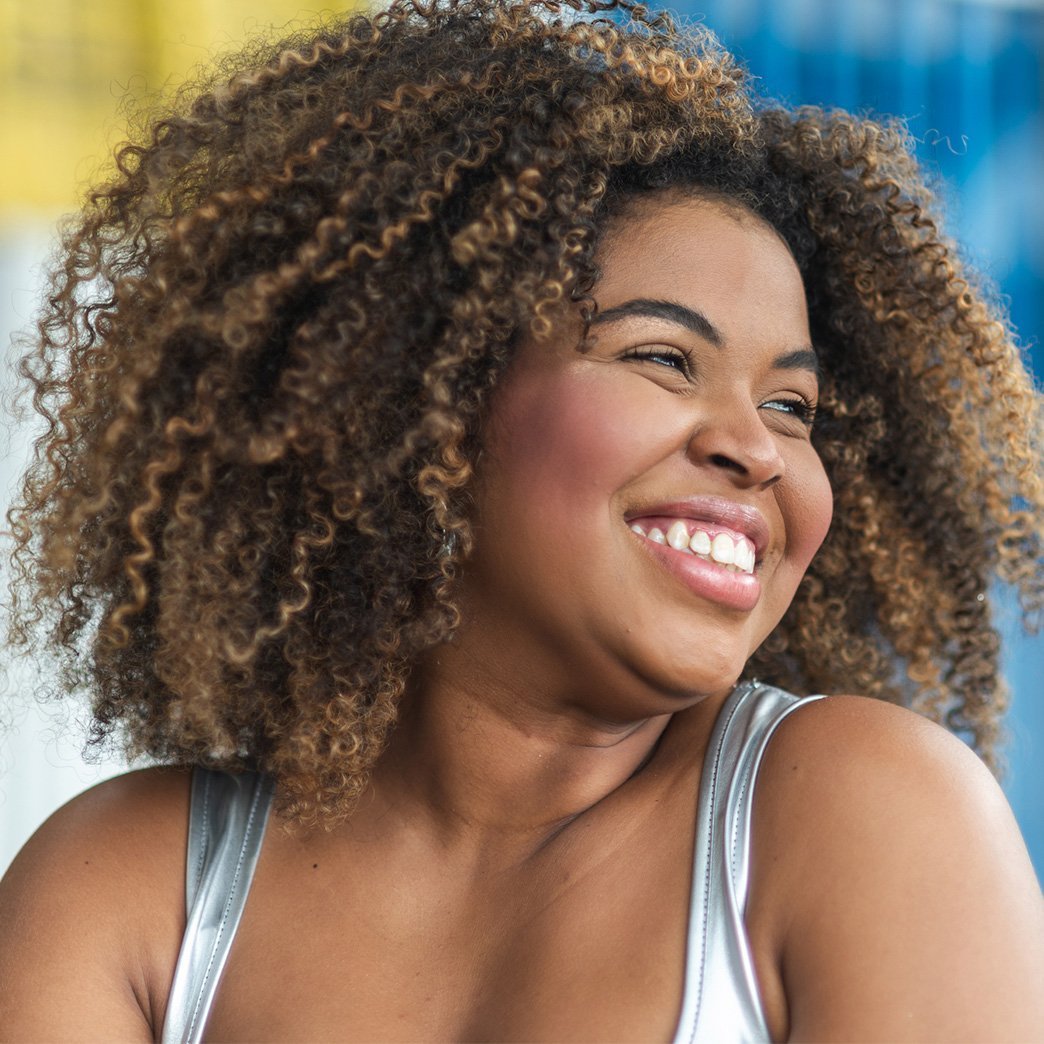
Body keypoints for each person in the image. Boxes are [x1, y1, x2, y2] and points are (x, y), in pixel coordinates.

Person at [1, 0, 1042, 1039]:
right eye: (664, 358)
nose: (758, 449)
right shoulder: (130, 895)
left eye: (792, 407)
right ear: (419, 404)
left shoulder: (865, 818)